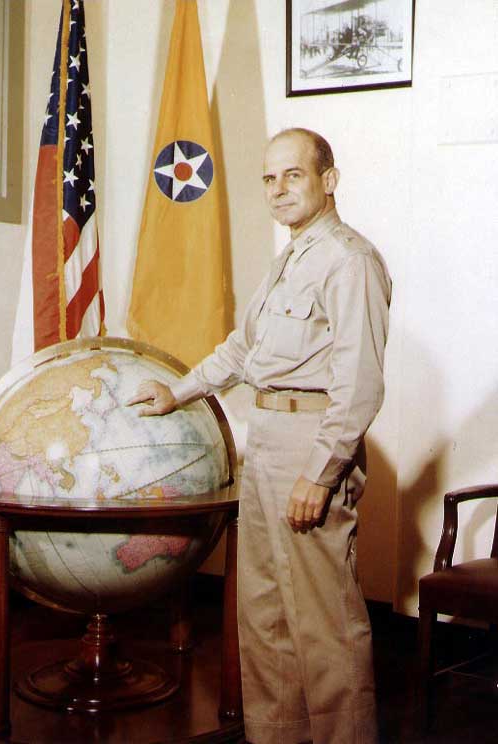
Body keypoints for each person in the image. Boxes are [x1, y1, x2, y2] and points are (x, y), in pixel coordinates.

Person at [128, 128, 391, 744]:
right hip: (266, 440)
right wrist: (179, 390)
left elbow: (359, 387)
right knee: (266, 616)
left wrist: (321, 474)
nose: (278, 190)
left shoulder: (350, 261)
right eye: (269, 179)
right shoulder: (289, 261)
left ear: (328, 179)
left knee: (325, 626)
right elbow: (242, 351)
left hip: (309, 445)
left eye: (292, 175)